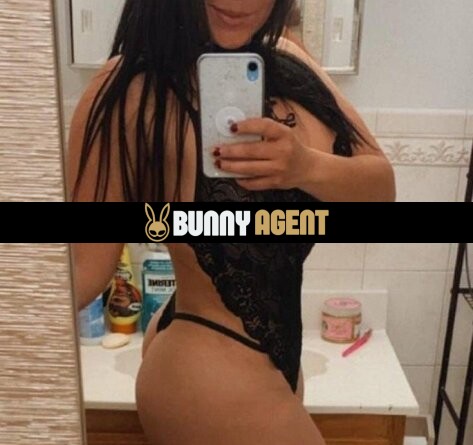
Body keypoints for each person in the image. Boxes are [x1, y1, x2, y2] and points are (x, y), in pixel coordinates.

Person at [68, 1, 395, 444]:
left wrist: (303, 167)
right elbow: (83, 267)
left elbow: (381, 190)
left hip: (263, 369)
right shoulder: (131, 86)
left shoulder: (291, 63)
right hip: (204, 365)